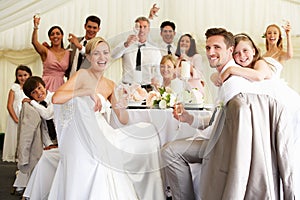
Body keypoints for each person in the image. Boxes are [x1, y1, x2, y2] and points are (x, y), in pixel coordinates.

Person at [49, 37, 164, 199]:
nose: (102, 58)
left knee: (148, 132)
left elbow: (123, 119)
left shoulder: (111, 85)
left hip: (102, 130)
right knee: (102, 160)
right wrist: (85, 92)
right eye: (96, 53)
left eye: (105, 53)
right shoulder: (82, 75)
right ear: (88, 57)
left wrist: (122, 104)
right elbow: (57, 98)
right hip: (81, 134)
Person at [14, 76, 57, 196]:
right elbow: (43, 128)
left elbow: (48, 115)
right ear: (30, 94)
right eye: (34, 92)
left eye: (39, 88)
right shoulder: (34, 107)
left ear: (44, 85)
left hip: (63, 138)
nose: (39, 93)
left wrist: (32, 102)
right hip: (50, 143)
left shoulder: (54, 97)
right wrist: (49, 144)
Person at [111, 16, 162, 89]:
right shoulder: (126, 45)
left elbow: (158, 72)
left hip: (147, 88)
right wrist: (126, 44)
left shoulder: (155, 50)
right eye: (139, 27)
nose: (142, 30)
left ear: (149, 29)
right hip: (127, 87)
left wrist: (158, 88)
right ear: (135, 28)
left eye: (145, 27)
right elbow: (113, 55)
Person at [32, 15, 70, 92]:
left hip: (61, 85)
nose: (55, 36)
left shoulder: (68, 53)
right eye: (52, 34)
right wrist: (36, 26)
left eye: (57, 33)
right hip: (46, 84)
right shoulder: (46, 51)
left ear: (62, 36)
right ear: (49, 38)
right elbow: (34, 42)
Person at [2, 65, 32, 163]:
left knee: (25, 137)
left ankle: (24, 155)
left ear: (29, 75)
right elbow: (9, 105)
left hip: (27, 116)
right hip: (15, 116)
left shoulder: (32, 88)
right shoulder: (14, 88)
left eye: (25, 75)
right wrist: (15, 118)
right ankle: (12, 155)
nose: (23, 78)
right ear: (16, 77)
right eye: (20, 76)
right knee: (14, 136)